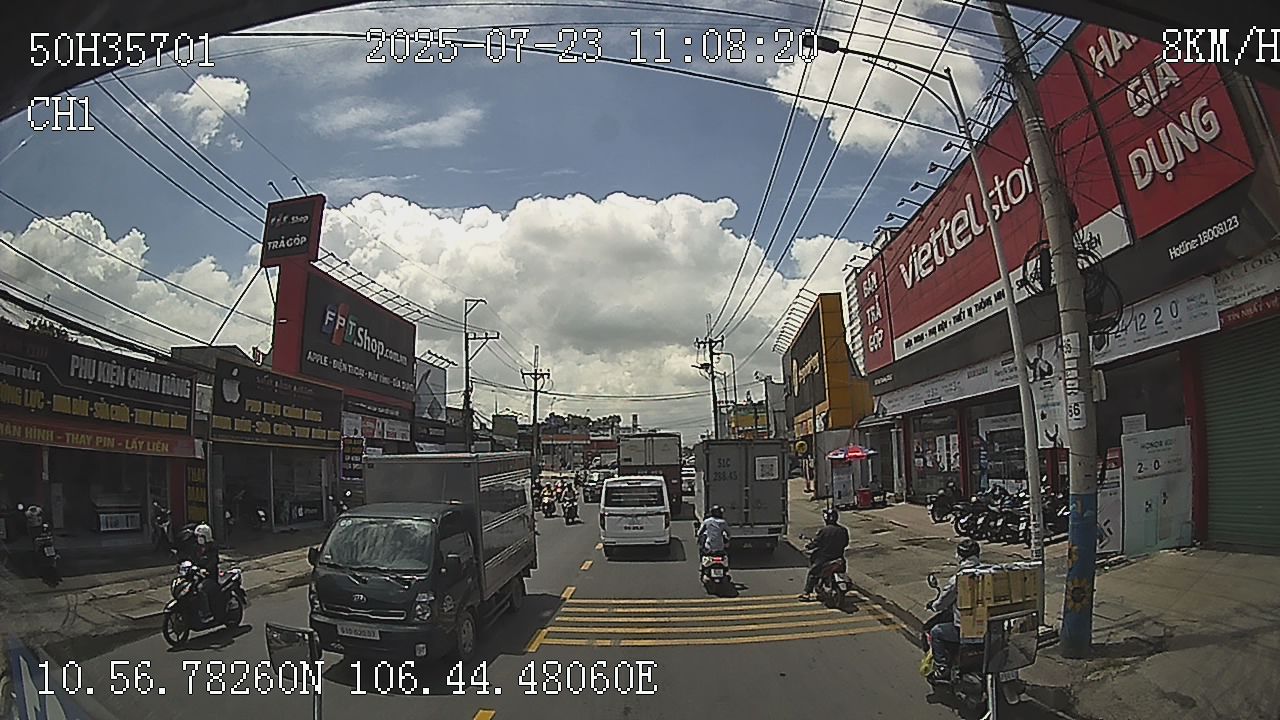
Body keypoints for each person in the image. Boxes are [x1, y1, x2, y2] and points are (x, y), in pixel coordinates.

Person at [927, 538, 985, 682]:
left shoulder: (958, 579)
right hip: (990, 629)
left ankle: (942, 668)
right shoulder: (988, 573)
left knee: (936, 632)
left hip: (965, 631)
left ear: (959, 556)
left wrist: (934, 606)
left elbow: (943, 602)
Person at [799, 507, 849, 601]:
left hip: (824, 558)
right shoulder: (843, 530)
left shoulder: (824, 531)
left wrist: (809, 546)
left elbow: (816, 543)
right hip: (839, 557)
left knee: (812, 573)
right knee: (843, 571)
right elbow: (846, 543)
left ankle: (807, 593)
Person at [192, 523, 220, 624]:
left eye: (201, 536)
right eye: (197, 536)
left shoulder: (212, 548)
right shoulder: (196, 548)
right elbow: (192, 558)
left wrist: (205, 569)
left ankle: (207, 614)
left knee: (201, 589)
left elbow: (213, 561)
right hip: (198, 575)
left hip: (210, 577)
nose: (199, 538)